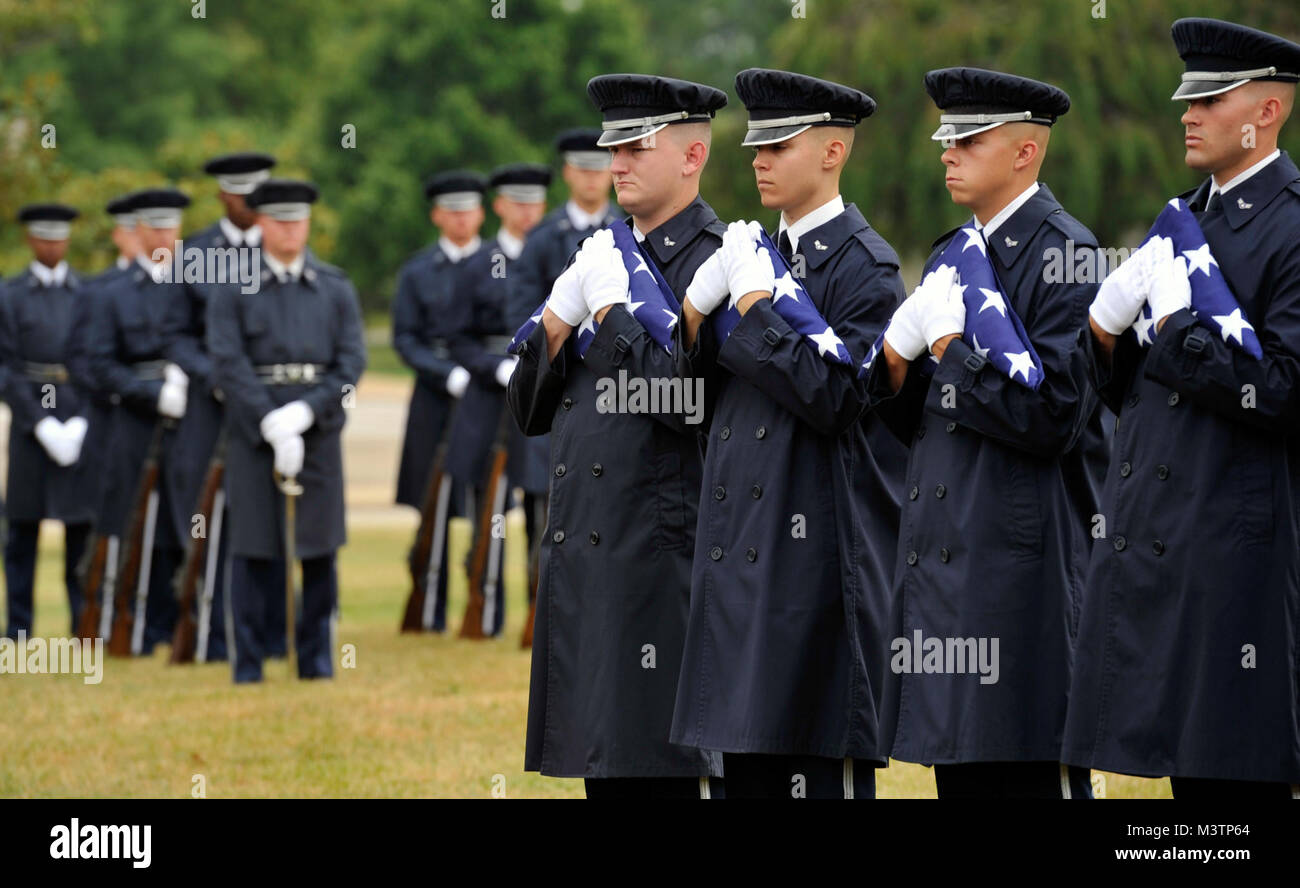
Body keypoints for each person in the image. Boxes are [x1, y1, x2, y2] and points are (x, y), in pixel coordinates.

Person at [1064, 17, 1300, 798]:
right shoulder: (1185, 217)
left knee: (1232, 783)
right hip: (1158, 537)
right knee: (1183, 794)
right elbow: (1131, 390)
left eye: (1211, 98)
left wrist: (1175, 326)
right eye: (1186, 100)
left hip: (1237, 555)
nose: (1188, 114)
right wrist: (1104, 334)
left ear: (1267, 112)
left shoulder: (1293, 225)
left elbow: (1283, 392)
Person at [866, 68, 1103, 798]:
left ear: (1026, 152)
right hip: (949, 565)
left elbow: (1055, 416)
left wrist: (950, 354)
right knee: (962, 775)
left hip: (1023, 575)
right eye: (947, 139)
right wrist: (897, 368)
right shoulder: (951, 253)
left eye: (969, 139)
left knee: (1028, 771)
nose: (948, 153)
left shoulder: (1067, 254)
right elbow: (919, 426)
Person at [670, 68, 906, 799]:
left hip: (810, 574)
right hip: (740, 555)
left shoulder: (867, 267)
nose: (758, 159)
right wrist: (693, 323)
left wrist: (754, 305)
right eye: (754, 145)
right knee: (744, 774)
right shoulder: (752, 254)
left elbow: (838, 399)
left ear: (833, 152)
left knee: (809, 770)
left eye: (779, 143)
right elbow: (697, 402)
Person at [507, 74, 727, 798]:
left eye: (636, 146)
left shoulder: (720, 262)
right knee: (608, 773)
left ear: (693, 155)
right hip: (592, 549)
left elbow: (687, 401)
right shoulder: (600, 253)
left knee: (664, 772)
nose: (617, 164)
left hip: (664, 556)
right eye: (613, 148)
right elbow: (529, 411)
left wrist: (612, 317)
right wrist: (553, 325)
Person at [207, 179, 366, 683]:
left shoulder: (334, 287)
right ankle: (249, 662)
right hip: (256, 430)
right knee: (253, 546)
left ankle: (316, 660)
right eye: (280, 221)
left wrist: (305, 414)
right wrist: (270, 422)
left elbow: (349, 363)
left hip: (315, 429)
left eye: (298, 220)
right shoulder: (233, 287)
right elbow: (227, 363)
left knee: (318, 548)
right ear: (261, 224)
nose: (291, 230)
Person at [505, 130, 622, 633]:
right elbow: (523, 313)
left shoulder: (629, 229)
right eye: (585, 169)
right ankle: (540, 605)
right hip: (558, 390)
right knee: (544, 509)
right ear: (569, 174)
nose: (594, 178)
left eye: (602, 168)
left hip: (616, 391)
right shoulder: (544, 238)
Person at [167, 151, 277, 662]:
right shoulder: (194, 254)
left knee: (269, 518)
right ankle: (207, 633)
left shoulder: (280, 247)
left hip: (269, 410)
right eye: (241, 197)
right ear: (223, 197)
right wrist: (215, 378)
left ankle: (272, 634)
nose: (251, 206)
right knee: (206, 518)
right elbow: (176, 334)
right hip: (210, 410)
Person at [85, 188, 194, 655]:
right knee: (131, 518)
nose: (166, 235)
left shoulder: (195, 283)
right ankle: (130, 620)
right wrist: (152, 393)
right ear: (140, 231)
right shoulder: (113, 294)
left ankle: (177, 621)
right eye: (156, 227)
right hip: (134, 419)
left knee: (181, 519)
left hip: (189, 414)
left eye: (173, 227)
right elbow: (99, 364)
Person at [444, 163, 550, 636]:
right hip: (490, 398)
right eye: (518, 203)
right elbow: (459, 340)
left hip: (543, 392)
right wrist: (495, 368)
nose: (527, 212)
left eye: (535, 203)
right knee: (490, 508)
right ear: (500, 206)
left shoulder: (557, 253)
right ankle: (484, 609)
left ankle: (538, 609)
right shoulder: (477, 264)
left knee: (542, 505)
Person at [0, 204, 94, 638]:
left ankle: (82, 623)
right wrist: (39, 422)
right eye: (44, 237)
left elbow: (98, 362)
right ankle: (19, 626)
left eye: (58, 238)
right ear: (31, 241)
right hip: (29, 422)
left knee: (80, 529)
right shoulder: (9, 295)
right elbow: (5, 367)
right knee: (22, 529)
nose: (52, 245)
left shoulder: (88, 295)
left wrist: (79, 422)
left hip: (77, 413)